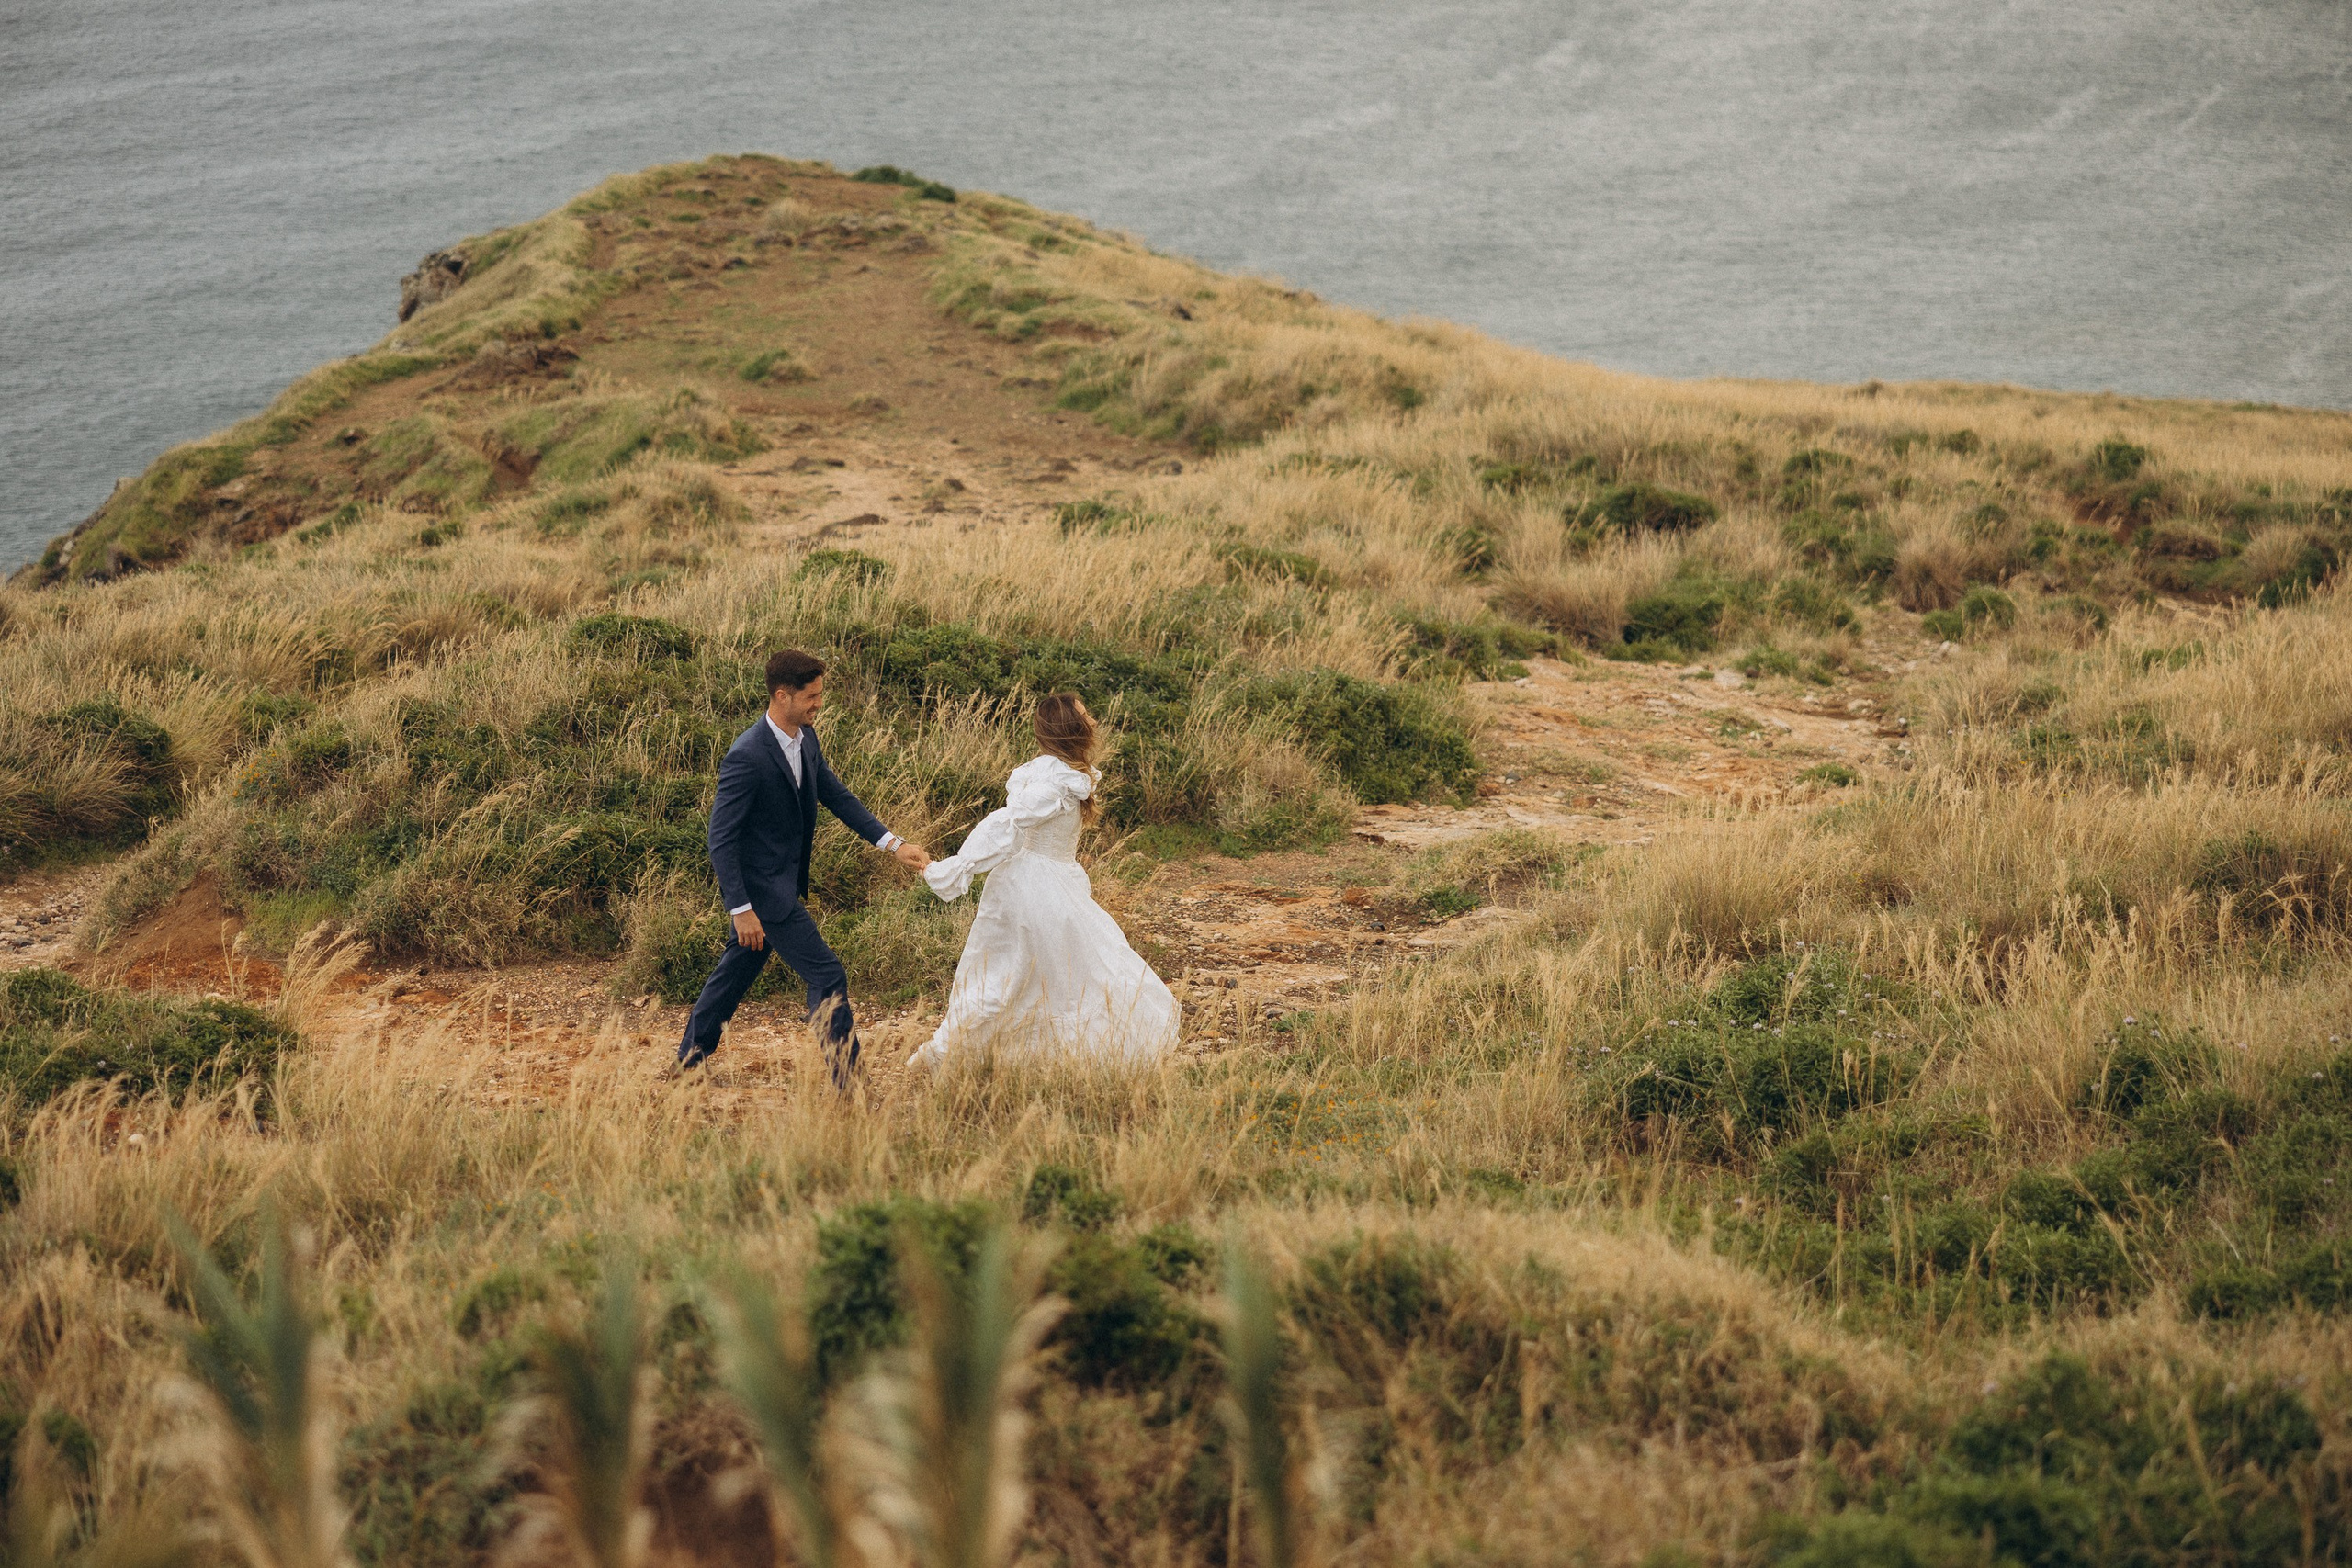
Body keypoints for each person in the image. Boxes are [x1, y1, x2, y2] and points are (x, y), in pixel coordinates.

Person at [678, 649, 930, 1087]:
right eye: (811, 697)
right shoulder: (746, 755)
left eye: (819, 695)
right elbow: (721, 839)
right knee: (826, 973)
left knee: (734, 975)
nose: (818, 704)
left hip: (782, 885)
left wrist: (893, 844)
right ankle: (848, 1083)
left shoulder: (804, 736)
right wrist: (741, 909)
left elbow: (834, 793)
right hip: (763, 894)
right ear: (782, 695)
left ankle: (689, 1063)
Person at [910, 693, 1179, 1070]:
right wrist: (957, 866)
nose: (1095, 723)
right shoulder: (1054, 779)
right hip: (1036, 886)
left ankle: (1018, 1058)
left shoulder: (1059, 773)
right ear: (1071, 727)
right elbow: (1010, 823)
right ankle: (953, 1054)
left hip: (1044, 880)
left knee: (1035, 972)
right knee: (1028, 973)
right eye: (1088, 716)